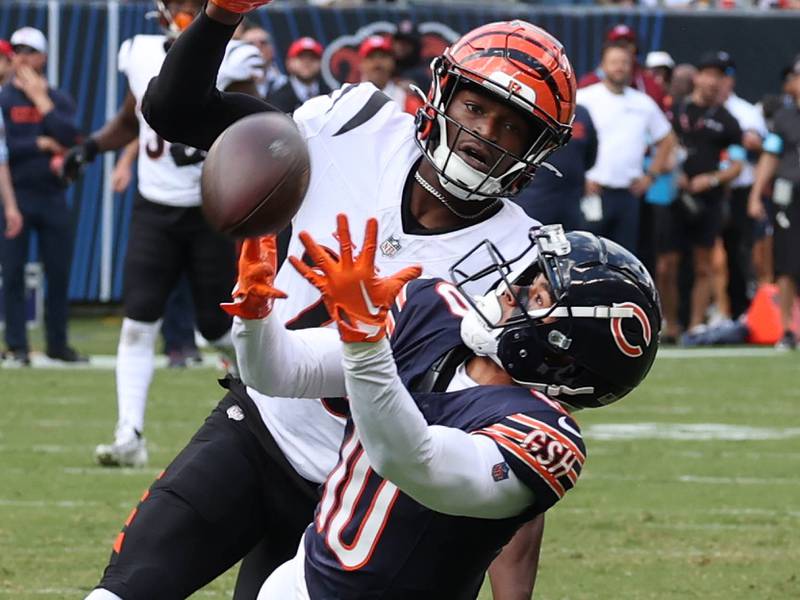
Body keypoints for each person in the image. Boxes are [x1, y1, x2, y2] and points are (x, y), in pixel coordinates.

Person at [82, 6, 578, 600]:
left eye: (511, 126)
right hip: (257, 428)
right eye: (476, 108)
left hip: (359, 498)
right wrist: (220, 17)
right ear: (443, 93)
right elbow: (174, 111)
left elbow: (510, 441)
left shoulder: (521, 263)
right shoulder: (357, 125)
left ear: (538, 148)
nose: (484, 136)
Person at [243, 218, 661, 598]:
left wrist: (365, 342)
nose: (510, 289)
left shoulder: (545, 437)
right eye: (529, 276)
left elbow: (410, 461)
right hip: (297, 581)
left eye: (536, 295)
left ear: (562, 354)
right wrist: (253, 311)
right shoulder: (432, 312)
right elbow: (278, 372)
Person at [60, 0, 263, 467]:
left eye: (194, 3)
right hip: (154, 208)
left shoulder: (236, 56)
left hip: (211, 208)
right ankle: (128, 433)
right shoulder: (140, 52)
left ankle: (268, 405)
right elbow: (131, 119)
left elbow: (258, 123)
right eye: (179, 3)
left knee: (218, 328)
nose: (186, 10)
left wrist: (219, 144)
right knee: (138, 320)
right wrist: (90, 148)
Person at [0, 26, 82, 366]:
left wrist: (41, 102)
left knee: (59, 272)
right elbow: (5, 150)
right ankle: (17, 345)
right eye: (17, 50)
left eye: (29, 51)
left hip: (52, 196)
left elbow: (72, 139)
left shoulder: (58, 99)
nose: (22, 57)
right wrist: (38, 143)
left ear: (43, 58)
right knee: (13, 272)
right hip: (16, 196)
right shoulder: (4, 98)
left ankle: (57, 344)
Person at [665, 52, 743, 335]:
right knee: (667, 264)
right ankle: (669, 323)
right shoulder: (677, 110)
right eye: (708, 74)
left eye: (718, 77)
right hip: (675, 196)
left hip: (708, 201)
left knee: (703, 265)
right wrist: (676, 172)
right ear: (697, 77)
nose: (712, 81)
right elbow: (664, 145)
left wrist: (710, 180)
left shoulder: (728, 121)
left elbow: (736, 166)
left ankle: (696, 324)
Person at [578, 41, 676, 252]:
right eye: (614, 62)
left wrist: (651, 176)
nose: (619, 67)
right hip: (592, 191)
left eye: (624, 62)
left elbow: (667, 139)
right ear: (602, 66)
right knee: (586, 254)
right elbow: (568, 140)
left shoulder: (643, 103)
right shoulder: (584, 98)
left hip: (628, 194)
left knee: (623, 258)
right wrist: (580, 177)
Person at [748, 56, 800, 350]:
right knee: (787, 264)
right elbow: (770, 155)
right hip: (789, 195)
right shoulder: (784, 117)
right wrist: (756, 193)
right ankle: (787, 330)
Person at [717, 52, 768, 321]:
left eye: (723, 77)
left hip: (740, 188)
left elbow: (766, 152)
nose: (719, 83)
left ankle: (742, 309)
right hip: (712, 190)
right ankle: (719, 310)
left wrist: (755, 145)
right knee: (711, 257)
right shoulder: (703, 110)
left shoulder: (747, 112)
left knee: (741, 252)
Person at [513, 104, 597, 230]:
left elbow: (591, 154)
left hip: (571, 200)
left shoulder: (581, 113)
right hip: (533, 198)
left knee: (569, 245)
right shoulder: (534, 107)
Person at [578, 24, 666, 110]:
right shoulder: (588, 83)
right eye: (617, 44)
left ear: (635, 48)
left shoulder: (649, 84)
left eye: (627, 43)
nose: (622, 48)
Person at [359, 35, 422, 116]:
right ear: (361, 64)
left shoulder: (405, 99)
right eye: (371, 57)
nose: (377, 63)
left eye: (383, 56)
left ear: (393, 62)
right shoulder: (351, 98)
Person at [266, 37, 330, 113]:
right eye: (301, 57)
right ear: (289, 63)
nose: (307, 63)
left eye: (313, 57)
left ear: (321, 63)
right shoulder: (277, 98)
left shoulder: (330, 93)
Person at [240, 21, 286, 98]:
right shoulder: (229, 83)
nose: (257, 47)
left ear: (272, 49)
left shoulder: (284, 84)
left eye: (263, 43)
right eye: (250, 43)